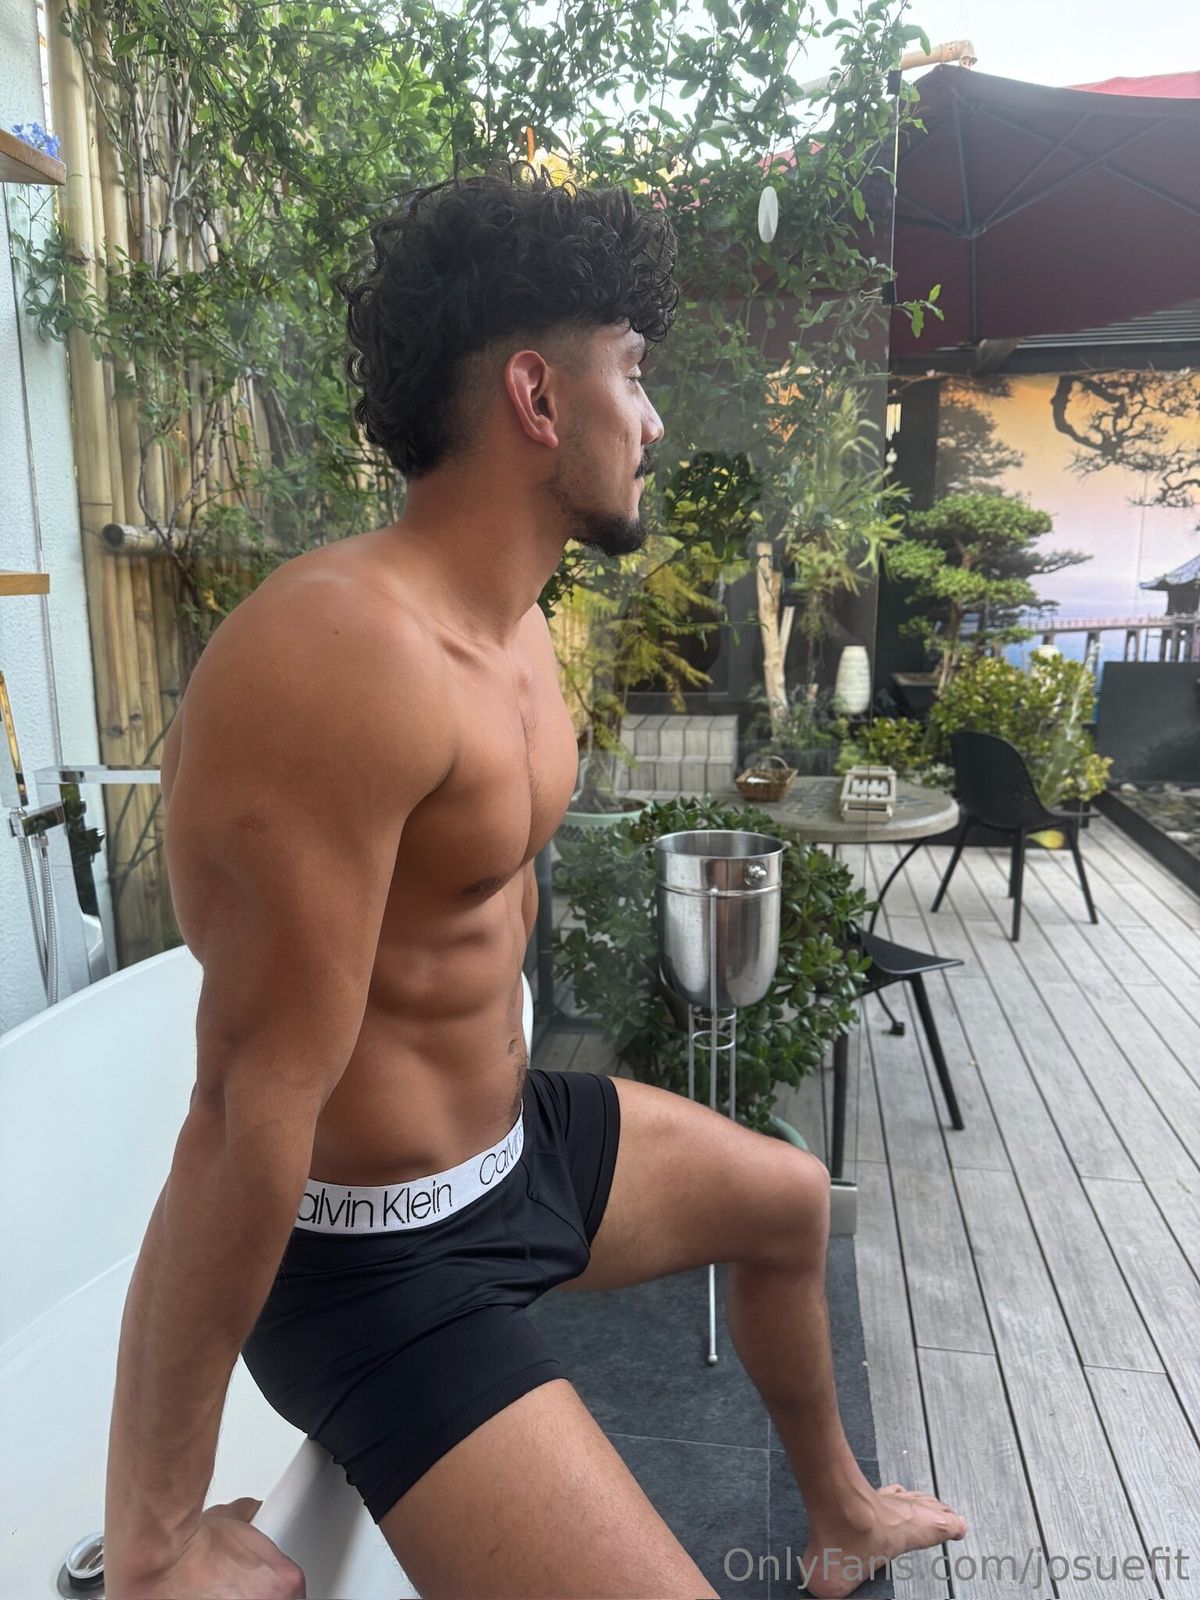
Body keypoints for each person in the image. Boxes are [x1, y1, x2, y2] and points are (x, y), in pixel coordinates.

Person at [104, 164, 966, 1600]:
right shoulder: (336, 658)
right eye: (633, 371)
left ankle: (842, 1517)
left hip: (514, 1158)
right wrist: (154, 1537)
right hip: (376, 1266)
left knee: (789, 1201)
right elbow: (241, 1104)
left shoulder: (513, 630)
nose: (655, 416)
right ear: (537, 397)